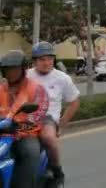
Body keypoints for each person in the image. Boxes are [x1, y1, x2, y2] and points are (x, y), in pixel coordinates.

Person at [27, 41, 80, 183]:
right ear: (34, 61)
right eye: (42, 59)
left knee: (49, 138)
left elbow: (74, 102)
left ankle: (56, 169)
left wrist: (61, 126)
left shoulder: (62, 78)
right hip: (24, 118)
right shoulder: (25, 76)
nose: (46, 63)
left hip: (47, 118)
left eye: (50, 59)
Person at [0, 50, 49, 188]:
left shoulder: (36, 88)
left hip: (24, 134)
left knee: (30, 151)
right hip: (2, 133)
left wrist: (22, 125)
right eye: (7, 69)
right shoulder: (1, 89)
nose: (11, 73)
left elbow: (39, 113)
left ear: (23, 69)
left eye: (14, 69)